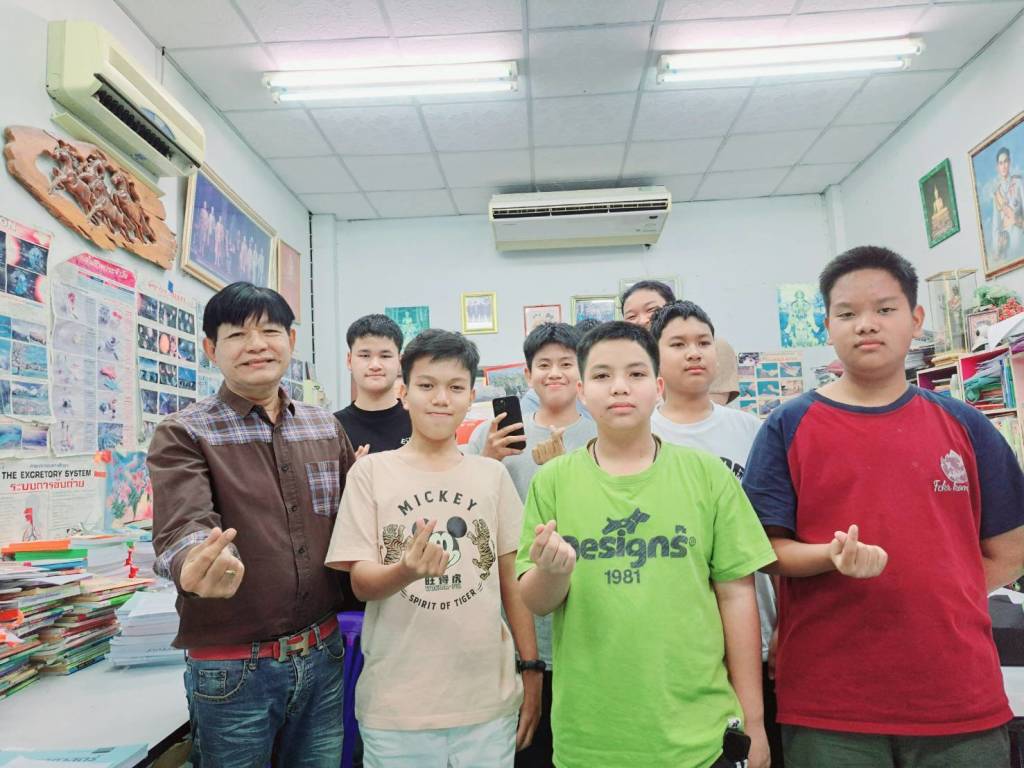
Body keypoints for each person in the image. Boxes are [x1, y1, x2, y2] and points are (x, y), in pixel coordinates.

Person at [742, 245, 1024, 768]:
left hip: (958, 695)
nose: (866, 324)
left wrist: (938, 590)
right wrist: (830, 558)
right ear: (827, 326)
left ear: (916, 320)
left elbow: (1011, 549)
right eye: (847, 313)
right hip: (831, 703)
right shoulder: (787, 426)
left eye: (885, 309)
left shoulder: (966, 425)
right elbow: (763, 551)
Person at [517, 321, 776, 768]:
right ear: (582, 391)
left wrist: (754, 720)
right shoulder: (553, 481)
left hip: (700, 734)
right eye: (602, 375)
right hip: (590, 739)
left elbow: (737, 596)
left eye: (635, 374)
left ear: (657, 387)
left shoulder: (707, 475)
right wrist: (552, 571)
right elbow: (538, 601)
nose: (619, 386)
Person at [148, 282, 355, 767]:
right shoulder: (185, 431)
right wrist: (196, 563)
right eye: (237, 334)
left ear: (291, 340)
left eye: (270, 331)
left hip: (323, 654)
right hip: (234, 669)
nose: (256, 345)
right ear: (211, 349)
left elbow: (355, 520)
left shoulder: (324, 427)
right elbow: (184, 525)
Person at [325, 329, 541, 767]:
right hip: (396, 707)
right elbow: (361, 583)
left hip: (487, 702)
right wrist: (404, 570)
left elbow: (512, 581)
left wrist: (532, 669)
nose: (441, 398)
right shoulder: (370, 473)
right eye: (426, 385)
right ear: (403, 393)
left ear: (471, 397)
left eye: (455, 387)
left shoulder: (491, 476)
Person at [649, 300, 782, 766]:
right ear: (654, 356)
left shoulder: (755, 431)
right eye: (678, 344)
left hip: (754, 630)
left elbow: (777, 533)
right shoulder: (641, 433)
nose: (694, 353)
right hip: (674, 639)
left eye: (703, 342)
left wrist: (784, 624)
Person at [465, 322, 598, 768]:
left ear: (581, 372)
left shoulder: (600, 431)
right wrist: (488, 460)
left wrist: (564, 473)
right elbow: (465, 515)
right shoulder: (492, 435)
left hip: (584, 604)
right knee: (525, 743)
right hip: (514, 610)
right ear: (527, 374)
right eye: (544, 365)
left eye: (566, 363)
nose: (554, 373)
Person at [335, 314, 411, 456]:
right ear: (349, 361)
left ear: (400, 362)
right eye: (365, 356)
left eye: (385, 356)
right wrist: (351, 469)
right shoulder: (333, 427)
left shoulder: (419, 422)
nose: (375, 365)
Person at [992, 147, 1024, 262]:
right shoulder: (997, 193)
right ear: (997, 167)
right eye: (1001, 163)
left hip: (1019, 238)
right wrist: (997, 249)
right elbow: (995, 227)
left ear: (1009, 162)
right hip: (1005, 245)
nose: (1004, 166)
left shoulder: (1018, 183)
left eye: (1005, 162)